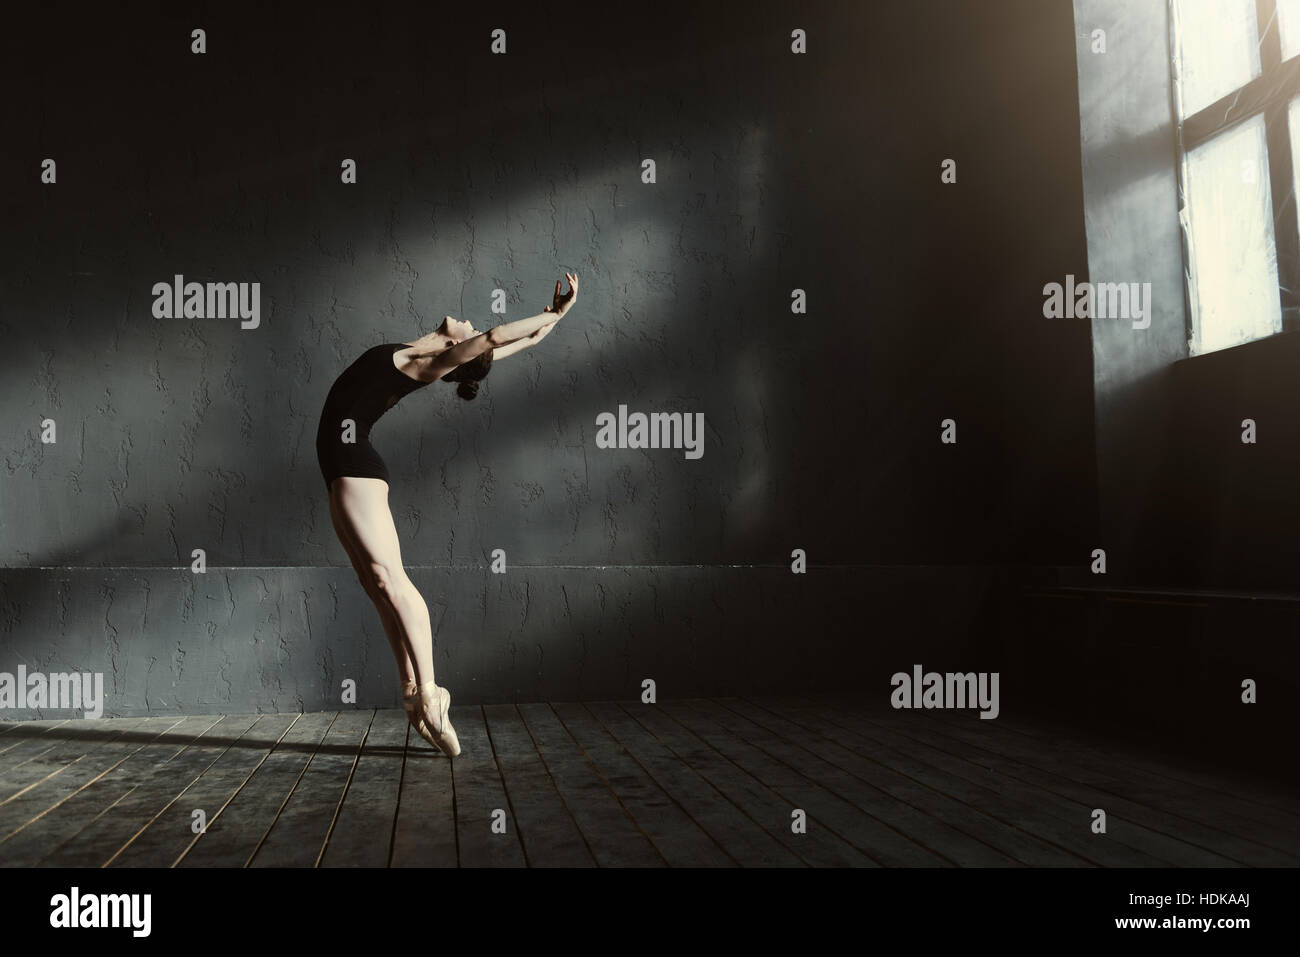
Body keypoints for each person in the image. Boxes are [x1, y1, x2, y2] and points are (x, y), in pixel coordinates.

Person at [315, 273, 579, 756]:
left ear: (459, 348)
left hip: (356, 467)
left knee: (390, 580)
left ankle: (433, 691)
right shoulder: (425, 355)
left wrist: (555, 314)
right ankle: (413, 694)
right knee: (376, 587)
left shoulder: (431, 364)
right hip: (342, 469)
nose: (472, 323)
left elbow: (493, 340)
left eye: (473, 330)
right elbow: (495, 350)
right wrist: (545, 329)